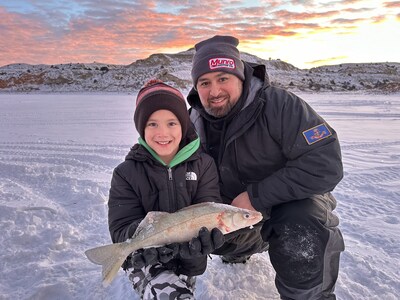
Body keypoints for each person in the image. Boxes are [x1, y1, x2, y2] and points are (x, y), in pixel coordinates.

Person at [187, 35, 345, 300]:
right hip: (234, 224)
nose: (214, 92)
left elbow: (325, 163)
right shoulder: (191, 123)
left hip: (282, 214)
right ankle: (234, 254)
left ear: (241, 76)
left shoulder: (280, 106)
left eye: (223, 78)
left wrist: (255, 197)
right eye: (205, 82)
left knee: (302, 218)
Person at [107, 79, 225, 299]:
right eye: (153, 124)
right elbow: (120, 229)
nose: (162, 132)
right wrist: (147, 233)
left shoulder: (204, 165)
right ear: (142, 128)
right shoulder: (125, 173)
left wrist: (202, 244)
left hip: (189, 258)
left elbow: (208, 207)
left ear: (184, 125)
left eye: (172, 123)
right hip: (144, 259)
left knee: (184, 289)